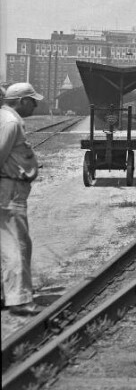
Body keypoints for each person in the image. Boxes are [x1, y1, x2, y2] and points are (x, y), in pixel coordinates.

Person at [1, 82, 44, 316]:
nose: (36, 105)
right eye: (32, 100)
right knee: (18, 243)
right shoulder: (11, 122)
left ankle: (6, 294)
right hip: (9, 189)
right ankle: (20, 300)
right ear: (20, 101)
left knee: (5, 244)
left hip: (8, 186)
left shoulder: (5, 117)